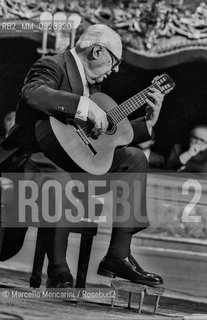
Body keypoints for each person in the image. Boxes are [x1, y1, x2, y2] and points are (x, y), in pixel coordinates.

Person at [0, 24, 165, 288]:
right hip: (32, 158)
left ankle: (118, 255)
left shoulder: (94, 89)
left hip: (73, 162)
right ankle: (58, 268)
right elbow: (33, 94)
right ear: (98, 51)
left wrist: (147, 123)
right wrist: (84, 105)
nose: (116, 69)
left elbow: (105, 136)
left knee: (134, 157)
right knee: (59, 177)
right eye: (115, 61)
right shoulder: (53, 64)